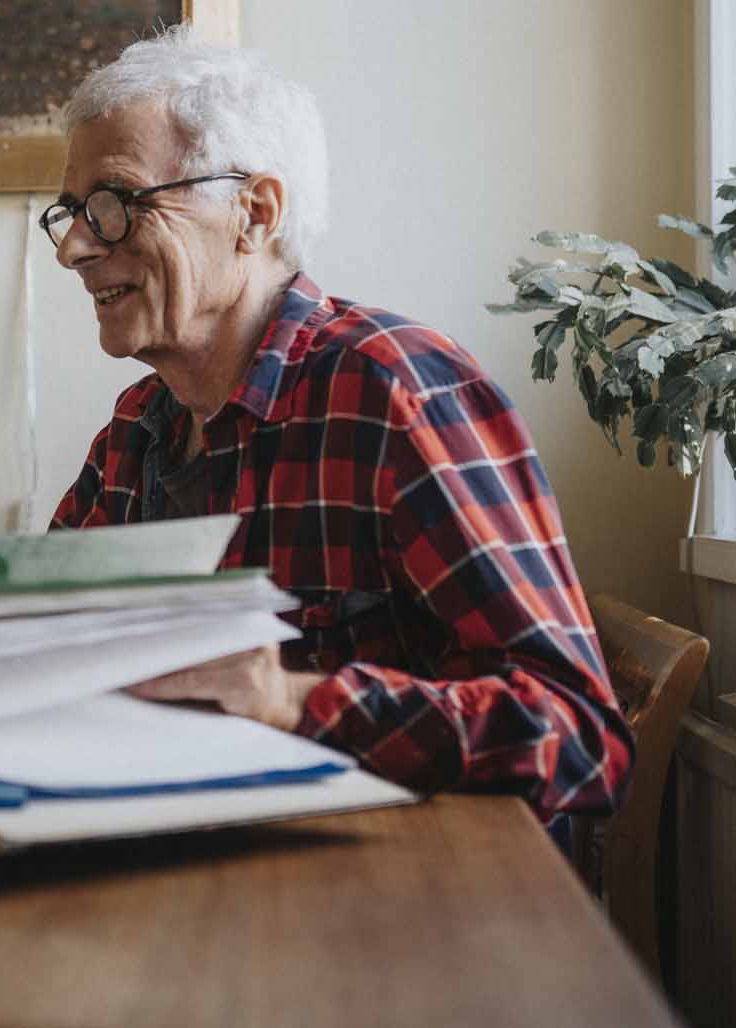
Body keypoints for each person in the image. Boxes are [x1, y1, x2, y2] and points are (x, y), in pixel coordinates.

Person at [43, 29, 631, 825]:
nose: (75, 247)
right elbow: (41, 648)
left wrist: (290, 699)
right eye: (72, 213)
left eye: (112, 205)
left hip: (409, 899)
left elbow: (578, 737)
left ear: (253, 212)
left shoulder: (398, 393)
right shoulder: (137, 431)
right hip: (198, 859)